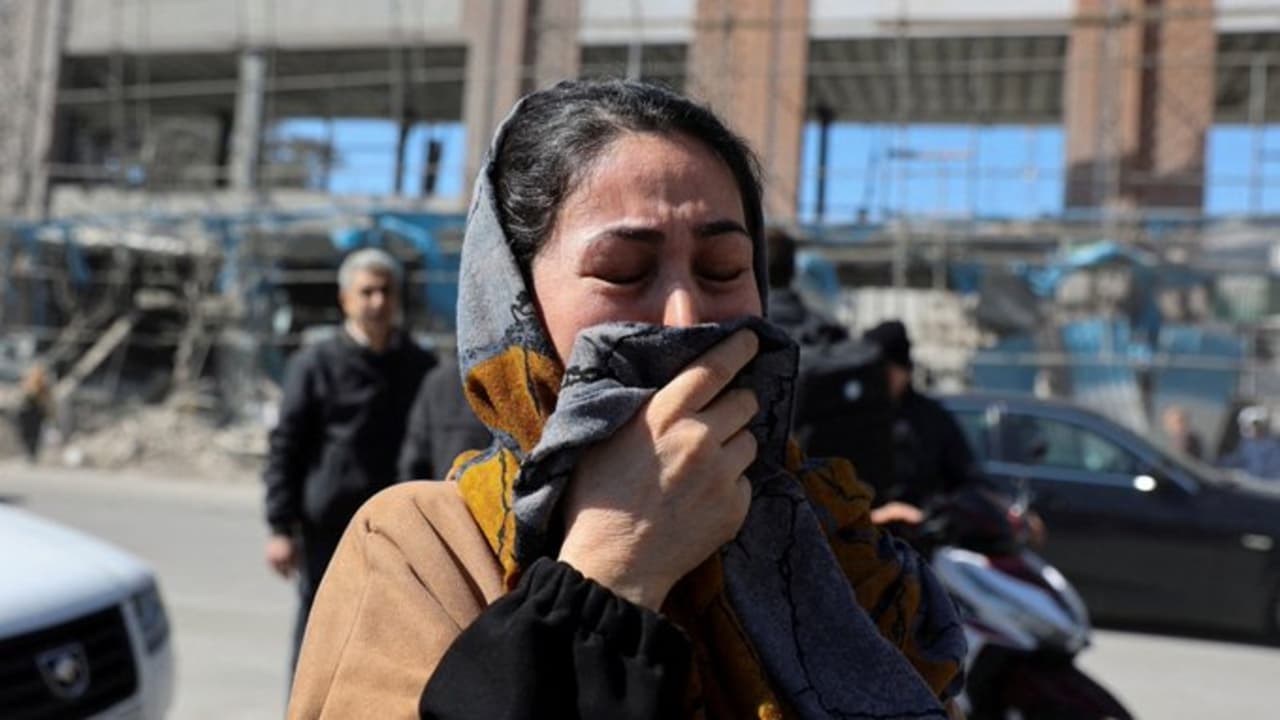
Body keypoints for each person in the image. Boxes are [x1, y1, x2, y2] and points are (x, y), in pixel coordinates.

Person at [290, 80, 964, 719]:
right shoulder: (427, 548)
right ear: (515, 300)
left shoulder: (839, 546)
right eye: (623, 272)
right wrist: (612, 570)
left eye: (722, 270)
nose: (684, 319)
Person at [262, 247, 437, 671]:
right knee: (323, 633)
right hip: (329, 525)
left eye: (387, 291)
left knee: (390, 635)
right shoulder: (315, 364)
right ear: (345, 300)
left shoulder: (420, 366)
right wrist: (280, 526)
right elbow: (286, 445)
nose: (378, 301)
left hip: (398, 527)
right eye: (367, 292)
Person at [862, 320, 986, 526]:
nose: (882, 379)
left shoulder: (931, 418)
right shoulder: (850, 419)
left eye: (889, 370)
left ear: (905, 370)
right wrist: (874, 516)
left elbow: (966, 478)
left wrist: (930, 514)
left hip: (921, 534)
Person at [398, 356, 491, 481]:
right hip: (491, 489)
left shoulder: (436, 380)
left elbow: (414, 457)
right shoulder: (508, 379)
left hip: (442, 487)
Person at [1219, 406, 1280, 480]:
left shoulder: (1272, 447)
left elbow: (1261, 471)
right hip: (1236, 480)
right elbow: (1234, 459)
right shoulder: (1246, 442)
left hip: (1259, 483)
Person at [15, 364, 51, 463]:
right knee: (27, 434)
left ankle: (32, 454)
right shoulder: (27, 384)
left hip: (36, 413)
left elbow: (45, 401)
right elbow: (22, 398)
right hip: (27, 413)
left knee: (35, 435)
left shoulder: (43, 386)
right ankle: (29, 454)